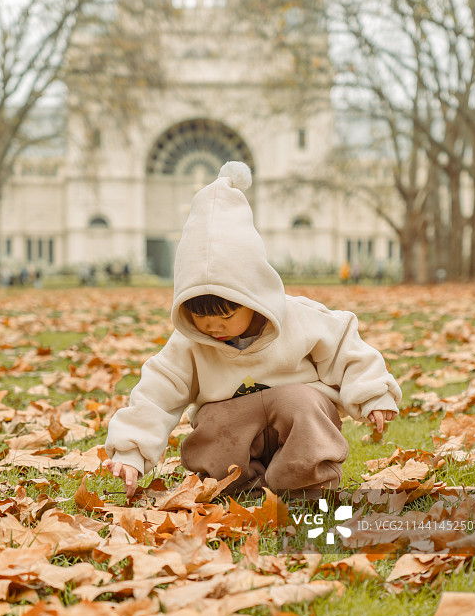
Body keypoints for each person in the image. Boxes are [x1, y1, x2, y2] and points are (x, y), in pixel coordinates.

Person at [103, 162, 401, 499]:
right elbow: (157, 393)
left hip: (296, 426)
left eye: (226, 316)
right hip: (233, 437)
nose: (213, 327)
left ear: (253, 297)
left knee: (301, 402)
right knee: (214, 421)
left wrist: (372, 393)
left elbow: (347, 350)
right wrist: (131, 450)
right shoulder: (189, 343)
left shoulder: (299, 318)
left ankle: (305, 483)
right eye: (199, 317)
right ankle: (236, 486)